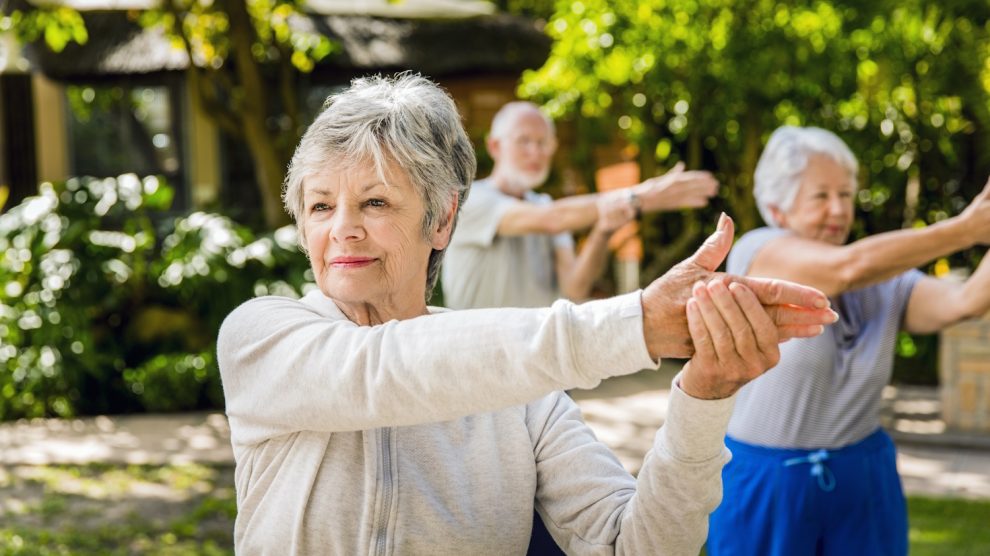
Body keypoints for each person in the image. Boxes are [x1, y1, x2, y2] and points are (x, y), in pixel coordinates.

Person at [217, 75, 837, 555]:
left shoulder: (526, 401)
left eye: (374, 201)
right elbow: (384, 370)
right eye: (321, 205)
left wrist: (703, 396)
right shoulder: (260, 337)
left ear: (441, 219)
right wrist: (638, 324)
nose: (343, 229)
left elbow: (636, 545)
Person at [706, 125, 990, 556]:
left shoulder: (884, 280)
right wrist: (965, 230)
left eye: (846, 194)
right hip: (766, 480)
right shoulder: (757, 253)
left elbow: (965, 301)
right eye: (821, 196)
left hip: (863, 475)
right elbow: (845, 268)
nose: (839, 209)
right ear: (778, 209)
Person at [441, 101, 718, 310]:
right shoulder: (472, 200)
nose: (535, 152)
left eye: (543, 143)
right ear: (495, 146)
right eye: (524, 141)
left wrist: (603, 231)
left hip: (537, 367)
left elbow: (575, 287)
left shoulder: (544, 203)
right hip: (480, 361)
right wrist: (641, 196)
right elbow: (552, 219)